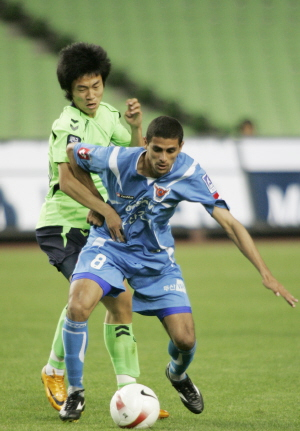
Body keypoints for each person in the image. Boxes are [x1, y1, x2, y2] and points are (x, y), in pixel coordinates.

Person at [59, 115, 297, 422]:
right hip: (109, 245)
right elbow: (72, 154)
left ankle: (177, 375)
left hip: (156, 260)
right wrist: (99, 205)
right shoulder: (117, 159)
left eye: (171, 151)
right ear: (145, 143)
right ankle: (75, 392)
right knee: (78, 305)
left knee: (185, 340)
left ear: (180, 147)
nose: (163, 158)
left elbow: (229, 223)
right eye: (157, 149)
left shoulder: (189, 171)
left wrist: (266, 274)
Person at [36, 42, 168, 419]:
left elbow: (135, 160)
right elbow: (66, 181)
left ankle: (132, 394)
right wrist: (107, 209)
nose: (91, 95)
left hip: (96, 225)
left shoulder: (109, 116)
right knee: (86, 298)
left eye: (96, 86)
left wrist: (136, 127)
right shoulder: (68, 125)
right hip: (64, 224)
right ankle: (54, 370)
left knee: (121, 301)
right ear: (70, 91)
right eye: (82, 89)